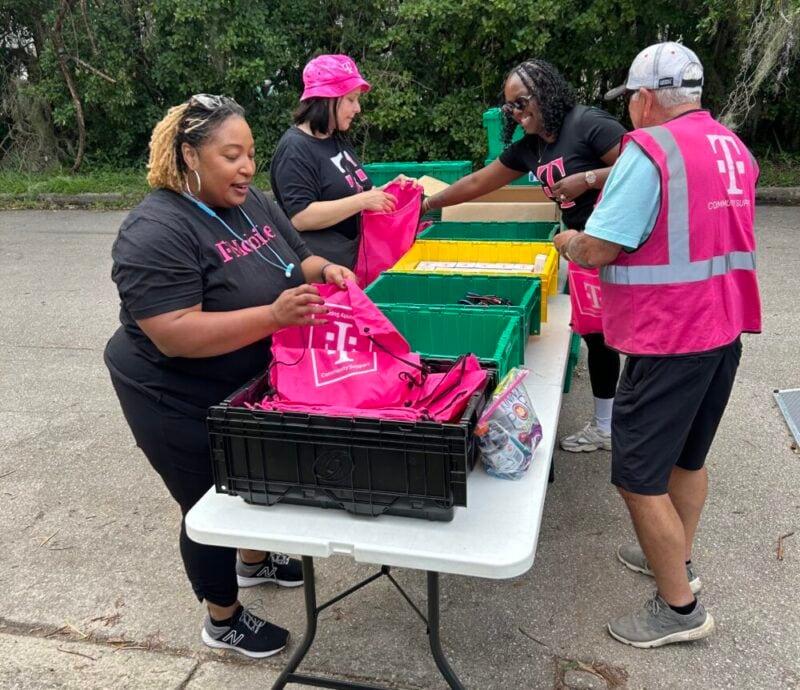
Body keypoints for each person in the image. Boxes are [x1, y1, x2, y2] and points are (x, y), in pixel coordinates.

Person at [104, 94, 356, 659]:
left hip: (242, 378)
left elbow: (296, 256)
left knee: (249, 477)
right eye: (231, 155)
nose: (247, 167)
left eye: (250, 154)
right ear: (190, 156)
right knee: (209, 501)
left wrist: (327, 269)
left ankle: (254, 560)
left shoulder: (249, 203)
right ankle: (222, 616)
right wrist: (273, 317)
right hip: (170, 391)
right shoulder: (155, 229)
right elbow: (174, 331)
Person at [553, 42, 761, 647]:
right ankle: (674, 557)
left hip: (669, 335)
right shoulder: (730, 146)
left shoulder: (651, 150)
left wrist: (569, 243)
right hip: (722, 330)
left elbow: (602, 246)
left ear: (645, 99)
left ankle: (678, 609)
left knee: (638, 475)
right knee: (686, 461)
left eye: (631, 100)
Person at [421, 59, 626, 453]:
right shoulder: (534, 146)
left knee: (628, 336)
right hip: (584, 251)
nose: (516, 111)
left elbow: (643, 165)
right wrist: (429, 204)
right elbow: (480, 181)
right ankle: (606, 425)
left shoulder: (587, 123)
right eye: (510, 107)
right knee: (599, 338)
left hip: (618, 249)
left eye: (522, 101)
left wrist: (586, 179)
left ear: (546, 92)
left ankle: (635, 420)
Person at [270, 54, 398, 269]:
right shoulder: (295, 148)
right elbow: (301, 217)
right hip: (328, 272)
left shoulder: (335, 137)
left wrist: (387, 190)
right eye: (351, 99)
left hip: (360, 257)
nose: (357, 108)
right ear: (326, 99)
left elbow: (355, 190)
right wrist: (364, 201)